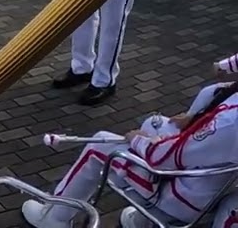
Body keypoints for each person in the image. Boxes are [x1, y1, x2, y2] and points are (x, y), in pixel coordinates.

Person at [21, 80, 238, 228]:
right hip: (207, 186)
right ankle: (142, 221)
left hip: (178, 194)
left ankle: (54, 218)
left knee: (98, 147)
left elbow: (163, 159)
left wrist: (137, 139)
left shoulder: (230, 123)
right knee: (156, 124)